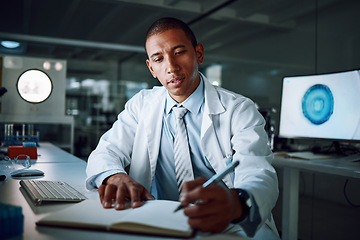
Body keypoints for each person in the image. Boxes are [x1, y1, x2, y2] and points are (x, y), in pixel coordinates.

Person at [86, 17, 279, 238]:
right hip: (157, 218)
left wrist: (236, 203)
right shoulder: (141, 104)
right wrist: (115, 176)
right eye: (158, 59)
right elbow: (105, 151)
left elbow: (259, 172)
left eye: (179, 52)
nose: (171, 67)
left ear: (198, 54)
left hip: (226, 223)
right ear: (151, 68)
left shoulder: (239, 109)